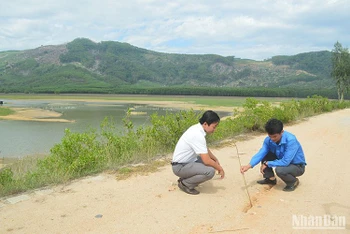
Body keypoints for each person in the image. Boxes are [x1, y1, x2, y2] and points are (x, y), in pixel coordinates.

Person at [240, 118, 306, 192]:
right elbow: (261, 153)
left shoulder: (291, 140)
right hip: (283, 160)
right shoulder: (268, 140)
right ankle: (270, 179)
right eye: (270, 136)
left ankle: (292, 181)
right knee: (265, 155)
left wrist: (268, 163)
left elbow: (286, 162)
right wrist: (249, 166)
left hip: (297, 166)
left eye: (274, 136)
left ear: (282, 132)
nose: (272, 139)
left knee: (280, 170)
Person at [171, 110, 225, 195]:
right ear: (205, 124)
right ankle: (186, 184)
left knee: (212, 163)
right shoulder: (197, 135)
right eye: (214, 127)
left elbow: (204, 149)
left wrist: (215, 159)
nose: (214, 129)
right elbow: (206, 160)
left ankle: (185, 178)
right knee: (210, 171)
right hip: (179, 166)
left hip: (186, 162)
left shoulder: (197, 129)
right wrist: (219, 168)